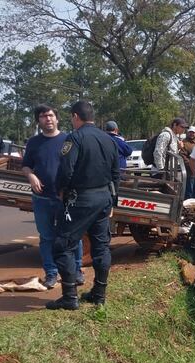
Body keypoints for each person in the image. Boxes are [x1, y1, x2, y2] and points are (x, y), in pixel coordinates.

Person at [48, 101, 119, 310]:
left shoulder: (75, 138)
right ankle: (99, 294)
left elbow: (66, 170)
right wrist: (113, 200)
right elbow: (116, 173)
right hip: (104, 198)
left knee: (63, 246)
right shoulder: (109, 139)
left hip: (81, 199)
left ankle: (70, 297)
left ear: (75, 116)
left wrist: (60, 189)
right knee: (101, 246)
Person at [22, 104, 85, 289]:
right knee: (47, 237)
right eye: (43, 116)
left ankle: (77, 271)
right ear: (38, 121)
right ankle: (51, 273)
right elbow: (26, 165)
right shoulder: (34, 142)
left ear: (57, 118)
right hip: (42, 199)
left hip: (66, 199)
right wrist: (31, 175)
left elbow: (79, 166)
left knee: (73, 236)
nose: (47, 119)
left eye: (50, 115)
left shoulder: (69, 139)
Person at [180, 125, 195, 198]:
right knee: (189, 191)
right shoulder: (184, 143)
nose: (191, 134)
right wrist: (191, 165)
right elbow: (183, 156)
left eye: (193, 132)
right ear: (187, 133)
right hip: (189, 172)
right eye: (190, 132)